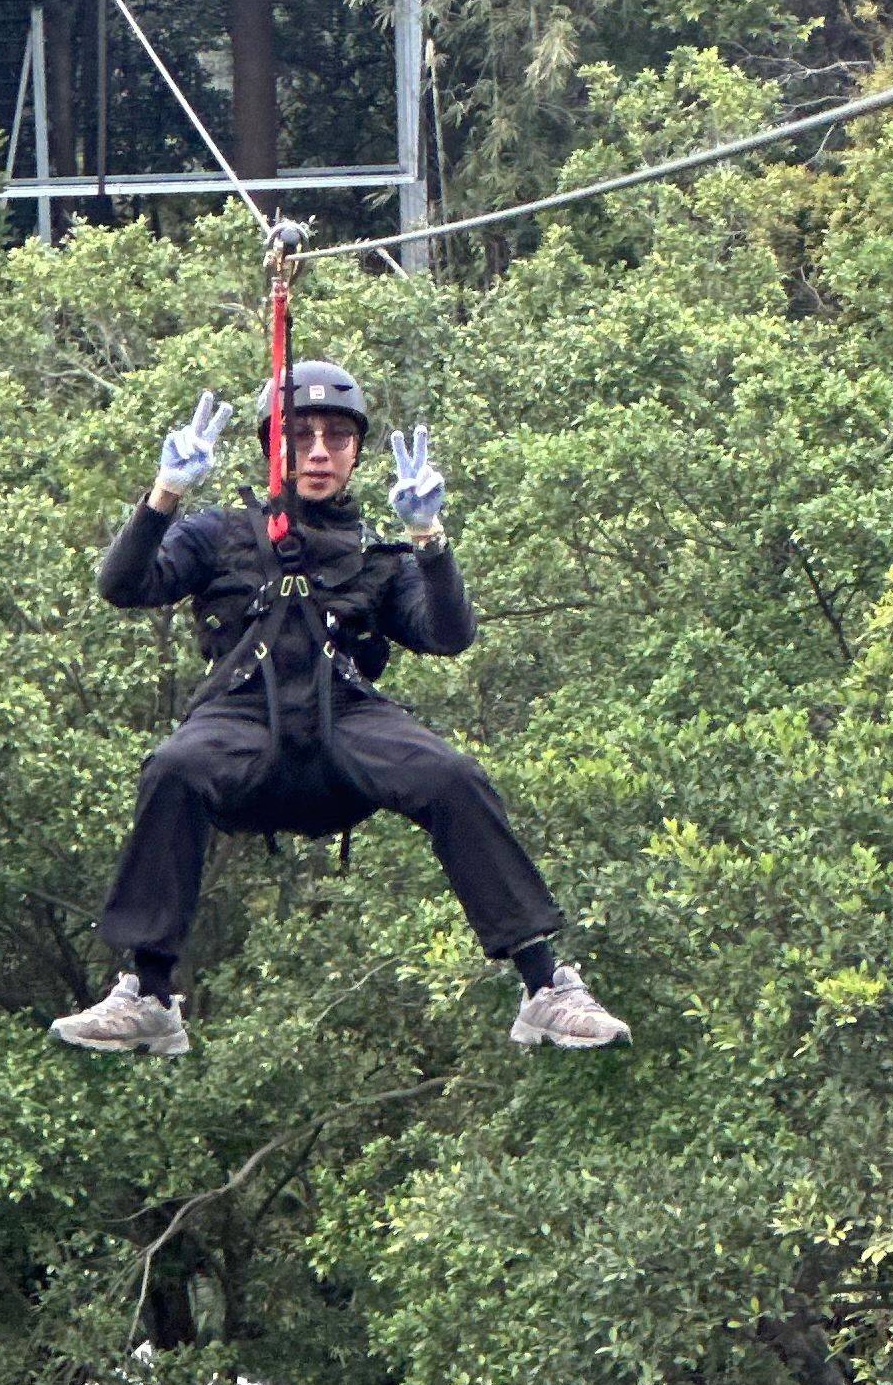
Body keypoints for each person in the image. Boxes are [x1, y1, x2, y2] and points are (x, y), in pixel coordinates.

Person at [52, 364, 628, 1060]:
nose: (318, 452)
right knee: (174, 767)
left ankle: (546, 986)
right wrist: (165, 495)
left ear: (356, 455)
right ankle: (148, 993)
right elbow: (124, 585)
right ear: (273, 449)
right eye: (299, 437)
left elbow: (449, 635)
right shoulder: (217, 537)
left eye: (335, 438)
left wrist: (430, 541)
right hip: (243, 717)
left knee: (451, 776)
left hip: (346, 719)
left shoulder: (375, 560)